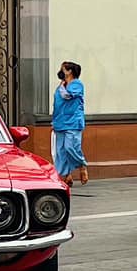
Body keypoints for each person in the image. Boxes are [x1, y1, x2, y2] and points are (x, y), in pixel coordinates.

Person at [52, 60, 89, 189]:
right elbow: (57, 104)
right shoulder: (61, 86)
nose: (61, 72)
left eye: (63, 69)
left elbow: (67, 96)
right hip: (60, 122)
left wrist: (62, 85)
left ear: (69, 71)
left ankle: (81, 165)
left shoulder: (76, 84)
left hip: (72, 122)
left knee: (70, 147)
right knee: (61, 151)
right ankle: (67, 175)